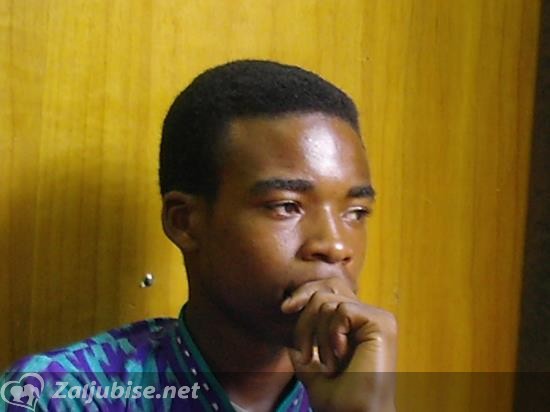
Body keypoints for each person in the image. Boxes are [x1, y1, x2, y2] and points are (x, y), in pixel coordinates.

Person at [1, 60, 397, 411]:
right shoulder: (60, 395)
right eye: (286, 206)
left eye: (356, 213)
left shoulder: (360, 390)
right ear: (185, 222)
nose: (336, 246)